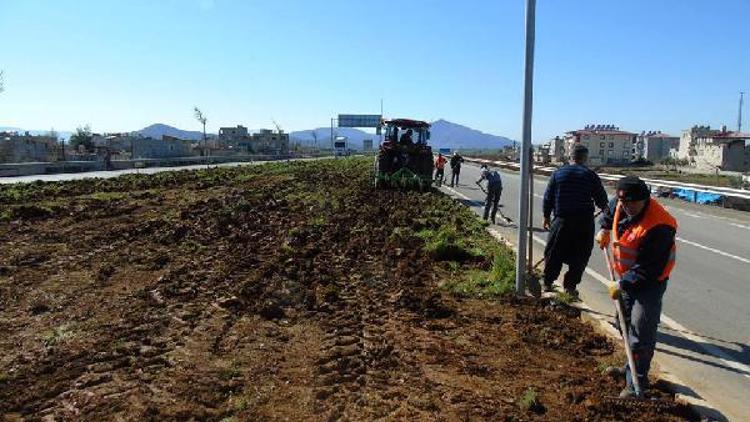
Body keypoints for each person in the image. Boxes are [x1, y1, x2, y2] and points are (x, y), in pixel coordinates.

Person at [596, 176, 677, 399]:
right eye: (625, 203)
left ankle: (637, 384)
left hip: (650, 283)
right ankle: (629, 368)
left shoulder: (660, 225)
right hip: (626, 278)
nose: (628, 208)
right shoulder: (622, 202)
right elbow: (609, 210)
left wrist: (621, 284)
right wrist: (604, 228)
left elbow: (648, 270)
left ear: (645, 199)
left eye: (633, 204)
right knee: (623, 324)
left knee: (641, 332)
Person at [542, 144, 608, 296]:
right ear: (584, 158)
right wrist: (605, 211)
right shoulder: (590, 175)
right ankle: (570, 287)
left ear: (570, 157)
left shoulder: (558, 174)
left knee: (554, 253)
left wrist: (546, 217)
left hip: (562, 220)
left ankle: (547, 282)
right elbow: (602, 200)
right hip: (584, 222)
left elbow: (548, 198)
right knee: (580, 256)